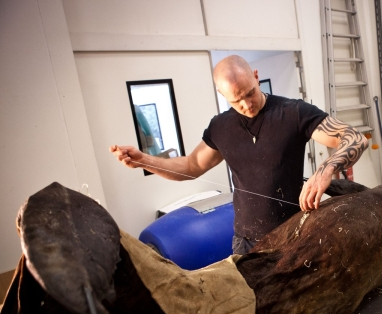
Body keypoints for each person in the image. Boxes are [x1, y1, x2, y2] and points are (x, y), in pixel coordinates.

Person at [111, 55, 368, 254]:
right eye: (236, 100)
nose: (247, 104)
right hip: (245, 243)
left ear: (256, 77)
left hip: (294, 236)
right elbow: (189, 167)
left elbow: (354, 138)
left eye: (250, 93)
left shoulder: (293, 112)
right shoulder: (220, 127)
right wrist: (144, 160)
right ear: (221, 94)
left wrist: (326, 169)